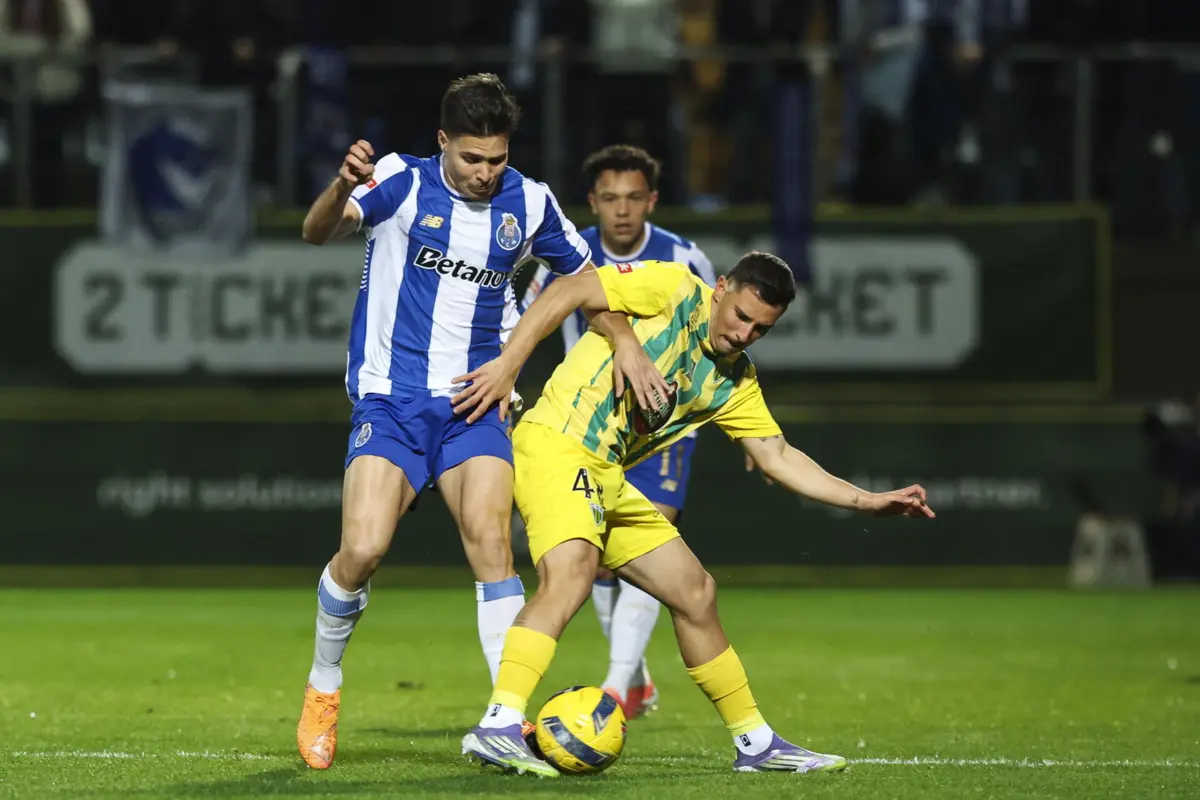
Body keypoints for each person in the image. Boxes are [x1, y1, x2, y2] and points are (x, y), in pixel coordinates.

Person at [293, 73, 666, 770]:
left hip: (478, 405)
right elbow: (317, 233)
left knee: (493, 545)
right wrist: (341, 186)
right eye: (471, 159)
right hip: (392, 402)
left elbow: (588, 284)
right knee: (364, 550)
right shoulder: (401, 180)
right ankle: (324, 685)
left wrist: (627, 343)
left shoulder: (529, 202)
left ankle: (505, 720)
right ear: (443, 144)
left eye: (496, 158)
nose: (485, 173)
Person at [452, 253, 935, 777]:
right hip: (557, 446)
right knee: (569, 578)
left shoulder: (734, 380)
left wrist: (868, 500)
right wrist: (510, 366)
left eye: (761, 329)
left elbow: (778, 456)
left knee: (696, 592)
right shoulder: (674, 287)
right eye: (741, 315)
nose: (745, 332)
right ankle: (499, 724)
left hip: (607, 474)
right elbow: (569, 290)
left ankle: (755, 744)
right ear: (721, 288)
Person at [518, 144, 716, 720]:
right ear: (593, 203)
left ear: (651, 200)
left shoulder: (685, 258)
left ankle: (616, 687)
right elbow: (524, 315)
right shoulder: (568, 256)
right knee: (603, 561)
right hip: (591, 428)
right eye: (610, 199)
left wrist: (739, 426)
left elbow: (723, 335)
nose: (622, 211)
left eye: (633, 198)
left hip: (662, 425)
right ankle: (634, 676)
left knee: (655, 536)